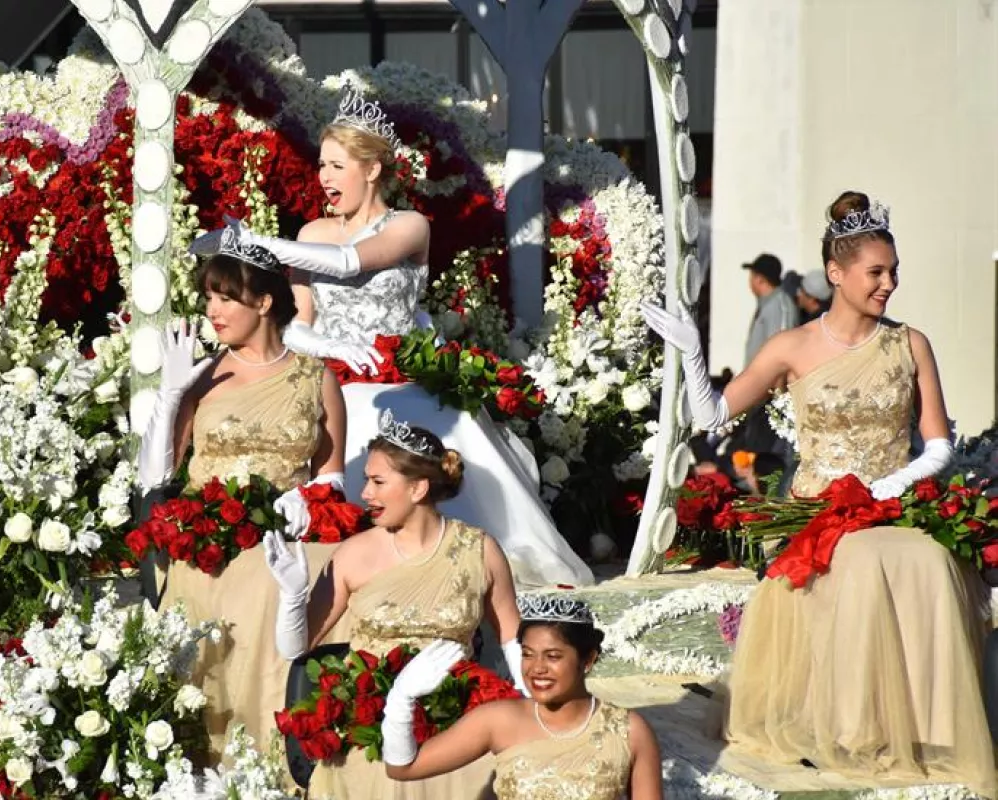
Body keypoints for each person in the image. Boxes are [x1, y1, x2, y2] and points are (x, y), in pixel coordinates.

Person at [642, 190, 996, 797]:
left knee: (930, 560)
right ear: (838, 273)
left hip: (892, 504)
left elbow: (937, 444)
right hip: (818, 512)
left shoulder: (911, 344)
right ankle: (852, 730)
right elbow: (712, 417)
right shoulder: (791, 346)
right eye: (876, 272)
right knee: (859, 564)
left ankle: (929, 731)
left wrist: (894, 483)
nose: (889, 284)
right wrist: (693, 352)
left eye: (894, 272)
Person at [217, 86, 595, 589]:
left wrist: (257, 242)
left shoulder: (411, 225)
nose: (323, 176)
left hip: (404, 381)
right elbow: (295, 325)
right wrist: (330, 347)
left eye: (336, 165)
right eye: (322, 165)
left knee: (433, 432)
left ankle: (454, 571)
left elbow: (353, 261)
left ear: (372, 170)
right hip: (335, 380)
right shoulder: (310, 234)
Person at [136, 228, 351, 760]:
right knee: (255, 586)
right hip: (210, 534)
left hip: (291, 529)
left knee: (310, 579)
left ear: (264, 301)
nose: (212, 309)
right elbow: (155, 474)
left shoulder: (315, 378)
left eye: (225, 296)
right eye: (208, 295)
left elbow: (331, 473)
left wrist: (309, 502)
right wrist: (170, 396)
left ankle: (295, 754)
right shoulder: (204, 375)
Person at [264, 411, 524, 798]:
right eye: (367, 480)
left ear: (418, 488)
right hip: (372, 722)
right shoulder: (354, 554)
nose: (365, 493)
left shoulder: (480, 549)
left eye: (377, 481)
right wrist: (292, 596)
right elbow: (295, 649)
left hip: (458, 715)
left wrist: (534, 714)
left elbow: (512, 640)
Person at [379, 595, 663, 800]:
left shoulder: (629, 730)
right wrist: (400, 700)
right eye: (527, 654)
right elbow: (403, 768)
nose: (537, 668)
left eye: (553, 656)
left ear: (587, 659)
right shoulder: (499, 720)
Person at [742, 253, 799, 366]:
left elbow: (781, 353)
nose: (749, 280)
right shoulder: (767, 305)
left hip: (769, 382)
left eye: (752, 275)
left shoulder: (780, 306)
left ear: (760, 279)